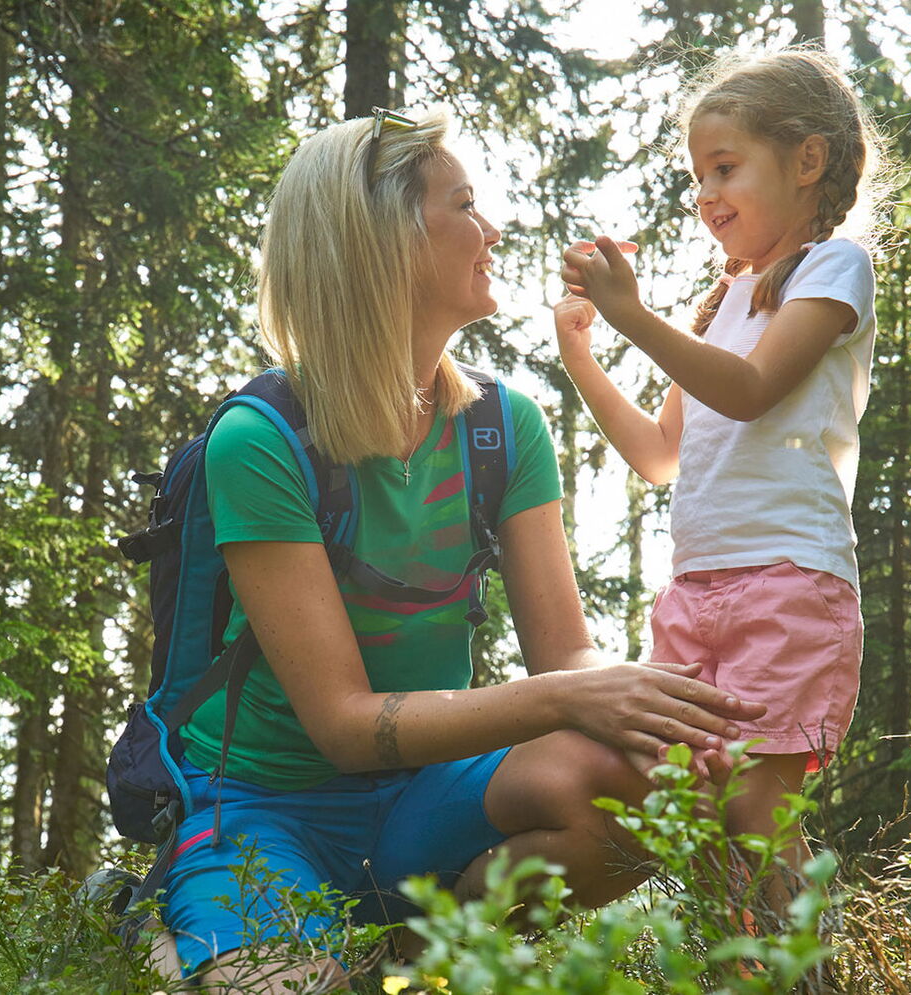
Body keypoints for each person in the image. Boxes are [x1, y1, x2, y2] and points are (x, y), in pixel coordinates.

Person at [153, 109, 767, 993]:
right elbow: (346, 724)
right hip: (261, 810)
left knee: (640, 784)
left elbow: (568, 657)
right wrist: (569, 693)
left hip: (420, 799)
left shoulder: (503, 428)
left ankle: (408, 955)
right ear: (383, 240)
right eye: (465, 205)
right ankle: (201, 930)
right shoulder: (258, 441)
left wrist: (634, 703)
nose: (494, 229)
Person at [555, 47, 889, 918]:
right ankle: (737, 968)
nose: (706, 194)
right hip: (697, 588)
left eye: (726, 168)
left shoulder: (833, 268)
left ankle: (804, 977)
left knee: (754, 804)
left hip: (788, 578)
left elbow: (747, 390)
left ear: (807, 160)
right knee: (690, 805)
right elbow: (661, 455)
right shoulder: (725, 297)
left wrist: (632, 314)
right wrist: (583, 353)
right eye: (698, 175)